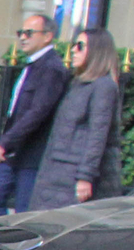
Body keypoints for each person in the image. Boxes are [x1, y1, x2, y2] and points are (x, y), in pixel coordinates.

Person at [0, 13, 70, 217]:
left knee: (24, 211)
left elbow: (37, 113)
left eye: (29, 33)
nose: (22, 38)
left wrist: (3, 144)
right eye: (21, 33)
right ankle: (0, 245)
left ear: (48, 36)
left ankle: (18, 248)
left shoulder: (51, 68)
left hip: (32, 154)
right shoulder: (33, 64)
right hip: (14, 151)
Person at [30, 28, 124, 211]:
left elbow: (98, 134)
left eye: (80, 46)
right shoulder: (79, 83)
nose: (73, 50)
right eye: (74, 45)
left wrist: (85, 177)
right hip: (57, 172)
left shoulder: (104, 86)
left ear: (97, 51)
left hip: (74, 178)